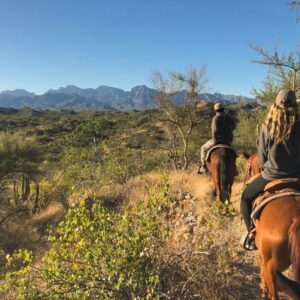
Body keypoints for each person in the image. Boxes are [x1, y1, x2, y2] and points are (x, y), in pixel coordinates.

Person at [241, 89, 300, 251]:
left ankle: (251, 233)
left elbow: (262, 157)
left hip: (271, 175)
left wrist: (271, 166)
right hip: (298, 175)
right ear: (294, 105)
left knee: (245, 198)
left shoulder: (267, 127)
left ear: (276, 105)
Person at [198, 102, 234, 174]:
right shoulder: (229, 118)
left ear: (215, 110)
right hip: (228, 141)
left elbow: (215, 131)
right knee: (234, 153)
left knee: (203, 148)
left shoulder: (215, 118)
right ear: (223, 109)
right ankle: (234, 168)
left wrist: (215, 140)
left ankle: (203, 166)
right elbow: (232, 127)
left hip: (217, 140)